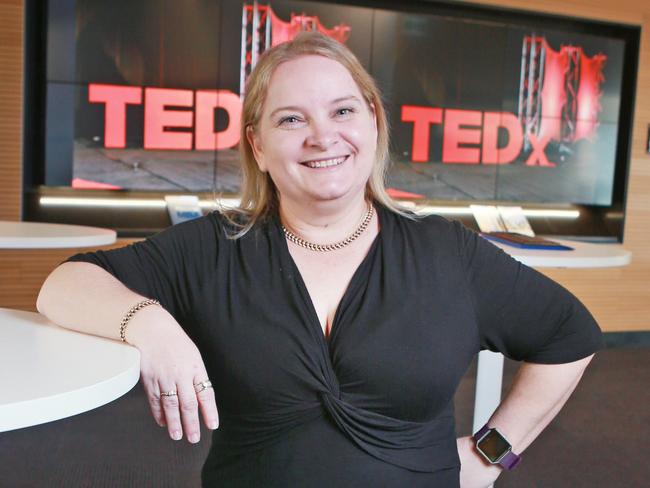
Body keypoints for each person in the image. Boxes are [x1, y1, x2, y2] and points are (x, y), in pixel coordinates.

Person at [37, 32, 602, 487]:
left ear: (373, 121)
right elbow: (63, 284)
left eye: (342, 111)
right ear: (257, 144)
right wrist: (150, 324)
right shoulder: (216, 247)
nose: (322, 136)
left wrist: (490, 454)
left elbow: (569, 334)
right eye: (291, 119)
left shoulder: (446, 253)